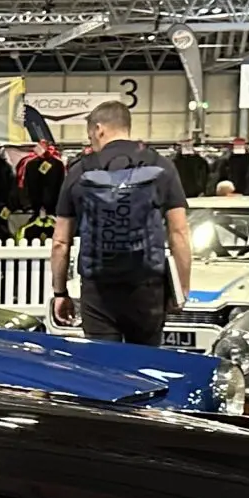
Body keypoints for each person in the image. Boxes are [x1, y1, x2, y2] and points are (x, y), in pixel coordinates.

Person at [49, 102, 190, 346]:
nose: (91, 139)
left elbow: (61, 242)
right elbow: (179, 233)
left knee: (103, 369)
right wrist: (182, 289)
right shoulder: (161, 166)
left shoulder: (79, 171)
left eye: (90, 133)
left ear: (99, 128)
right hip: (147, 287)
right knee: (146, 365)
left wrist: (60, 293)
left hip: (98, 290)